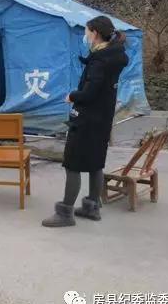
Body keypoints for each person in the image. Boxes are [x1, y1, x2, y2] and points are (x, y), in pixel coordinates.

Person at [42, 16, 129, 227]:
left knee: (72, 164)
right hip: (103, 118)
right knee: (95, 163)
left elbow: (90, 92)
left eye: (87, 31)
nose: (85, 35)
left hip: (87, 119)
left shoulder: (100, 61)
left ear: (95, 33)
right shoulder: (116, 56)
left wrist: (72, 96)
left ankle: (65, 213)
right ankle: (92, 207)